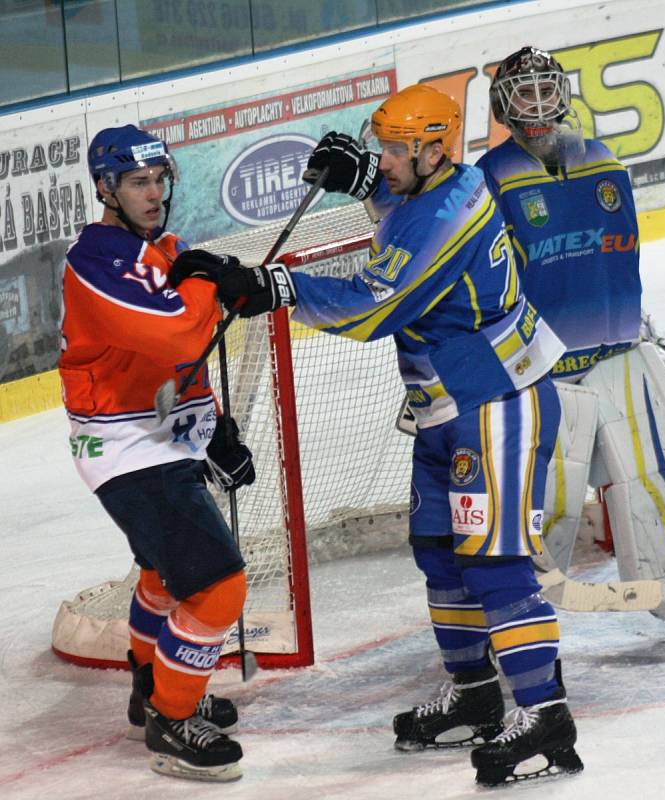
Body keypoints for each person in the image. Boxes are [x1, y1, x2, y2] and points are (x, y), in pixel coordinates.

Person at [179, 83, 584, 786]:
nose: (385, 158)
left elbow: (378, 305)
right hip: (443, 404)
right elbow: (401, 215)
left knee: (494, 565)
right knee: (439, 552)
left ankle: (545, 717)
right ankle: (476, 694)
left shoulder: (453, 211)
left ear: (436, 148)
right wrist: (367, 182)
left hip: (497, 401)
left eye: (394, 151)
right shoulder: (431, 188)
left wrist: (279, 288)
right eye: (381, 148)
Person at [476, 47, 665, 631]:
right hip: (542, 368)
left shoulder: (603, 160)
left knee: (656, 471)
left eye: (548, 89)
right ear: (502, 105)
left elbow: (616, 257)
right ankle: (509, 607)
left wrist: (647, 331)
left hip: (618, 352)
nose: (540, 105)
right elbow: (477, 277)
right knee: (550, 502)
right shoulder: (489, 180)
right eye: (525, 93)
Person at [58, 124, 277, 782]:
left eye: (159, 180)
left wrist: (214, 432)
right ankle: (174, 722)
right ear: (105, 189)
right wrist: (213, 284)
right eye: (137, 183)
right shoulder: (96, 261)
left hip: (160, 439)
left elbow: (191, 365)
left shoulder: (165, 251)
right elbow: (180, 335)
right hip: (125, 446)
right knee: (217, 586)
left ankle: (152, 686)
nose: (154, 194)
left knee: (161, 574)